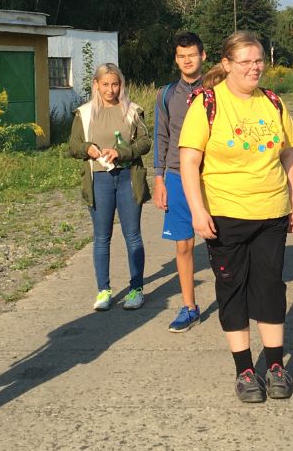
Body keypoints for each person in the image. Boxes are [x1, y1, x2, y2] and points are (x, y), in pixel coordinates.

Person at [179, 31, 293, 403]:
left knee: (271, 287)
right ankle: (245, 371)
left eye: (259, 60)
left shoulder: (273, 102)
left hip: (272, 212)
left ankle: (276, 366)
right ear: (227, 64)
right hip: (225, 215)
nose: (254, 67)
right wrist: (197, 210)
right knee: (232, 289)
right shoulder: (207, 103)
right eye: (246, 61)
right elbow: (189, 161)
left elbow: (288, 155)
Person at [68, 63, 151, 311]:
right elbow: (73, 146)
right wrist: (88, 149)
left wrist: (122, 152)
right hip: (99, 180)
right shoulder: (83, 113)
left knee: (133, 236)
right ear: (96, 84)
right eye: (105, 84)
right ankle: (103, 290)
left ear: (121, 84)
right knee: (102, 237)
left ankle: (136, 289)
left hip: (127, 178)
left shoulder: (133, 110)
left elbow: (145, 143)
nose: (110, 90)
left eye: (115, 84)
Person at [152, 32, 207, 331]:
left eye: (192, 55)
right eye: (181, 56)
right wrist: (159, 179)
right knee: (184, 246)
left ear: (202, 56)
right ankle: (189, 307)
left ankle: (236, 302)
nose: (187, 60)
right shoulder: (166, 94)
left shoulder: (216, 90)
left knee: (224, 243)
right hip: (176, 175)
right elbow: (161, 136)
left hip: (211, 175)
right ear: (176, 59)